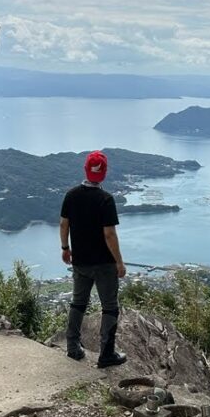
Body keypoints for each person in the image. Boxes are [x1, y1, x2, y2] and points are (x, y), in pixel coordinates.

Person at [60, 150, 128, 367]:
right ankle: (106, 354)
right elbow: (109, 234)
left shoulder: (71, 195)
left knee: (78, 303)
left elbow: (64, 224)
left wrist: (65, 248)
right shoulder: (105, 200)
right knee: (109, 306)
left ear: (85, 170)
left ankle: (72, 347)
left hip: (80, 261)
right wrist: (119, 261)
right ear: (104, 173)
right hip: (104, 264)